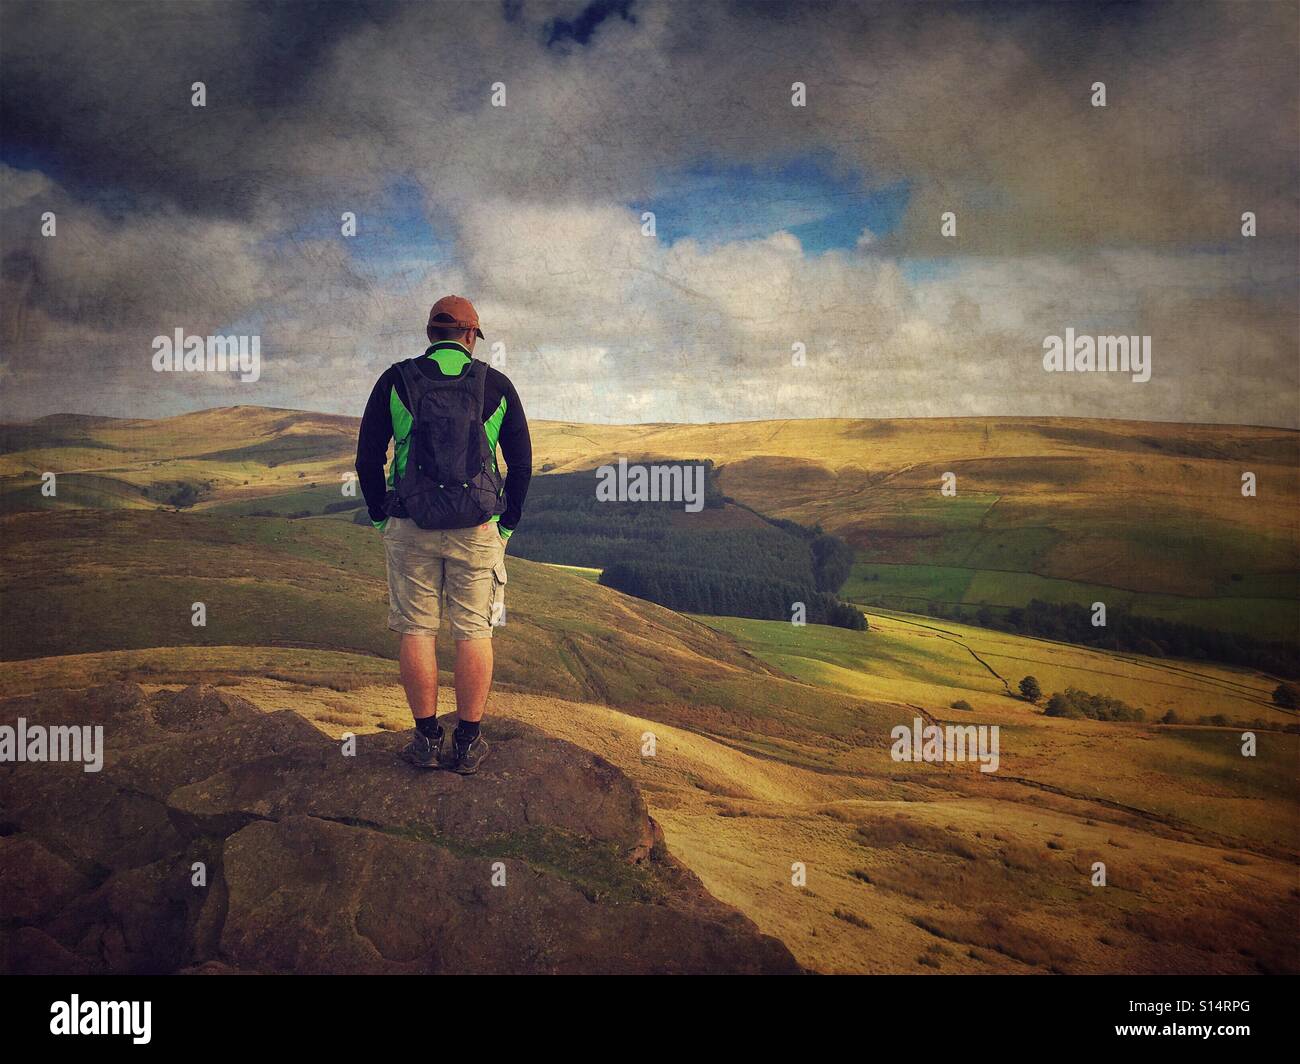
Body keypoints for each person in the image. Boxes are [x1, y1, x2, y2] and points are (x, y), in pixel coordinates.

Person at [355, 295, 531, 774]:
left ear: (431, 334)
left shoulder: (395, 380)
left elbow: (368, 459)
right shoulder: (496, 384)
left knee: (416, 630)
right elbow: (521, 464)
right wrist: (507, 524)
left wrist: (380, 517)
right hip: (476, 528)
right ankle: (469, 742)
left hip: (410, 524)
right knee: (474, 631)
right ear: (472, 335)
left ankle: (427, 739)